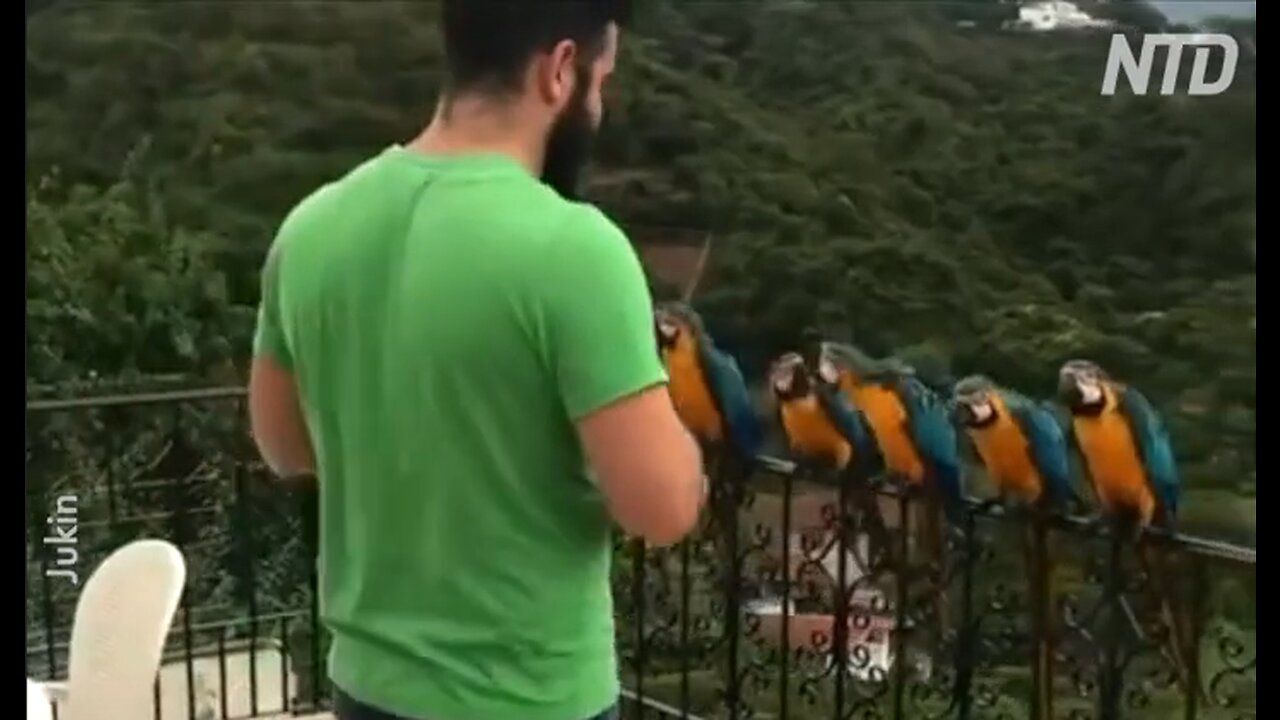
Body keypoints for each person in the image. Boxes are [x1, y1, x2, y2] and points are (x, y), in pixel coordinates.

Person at [247, 1, 707, 719]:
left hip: (367, 689)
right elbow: (661, 508)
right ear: (559, 70)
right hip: (529, 698)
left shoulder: (311, 228)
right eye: (600, 81)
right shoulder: (576, 251)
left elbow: (283, 446)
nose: (599, 104)